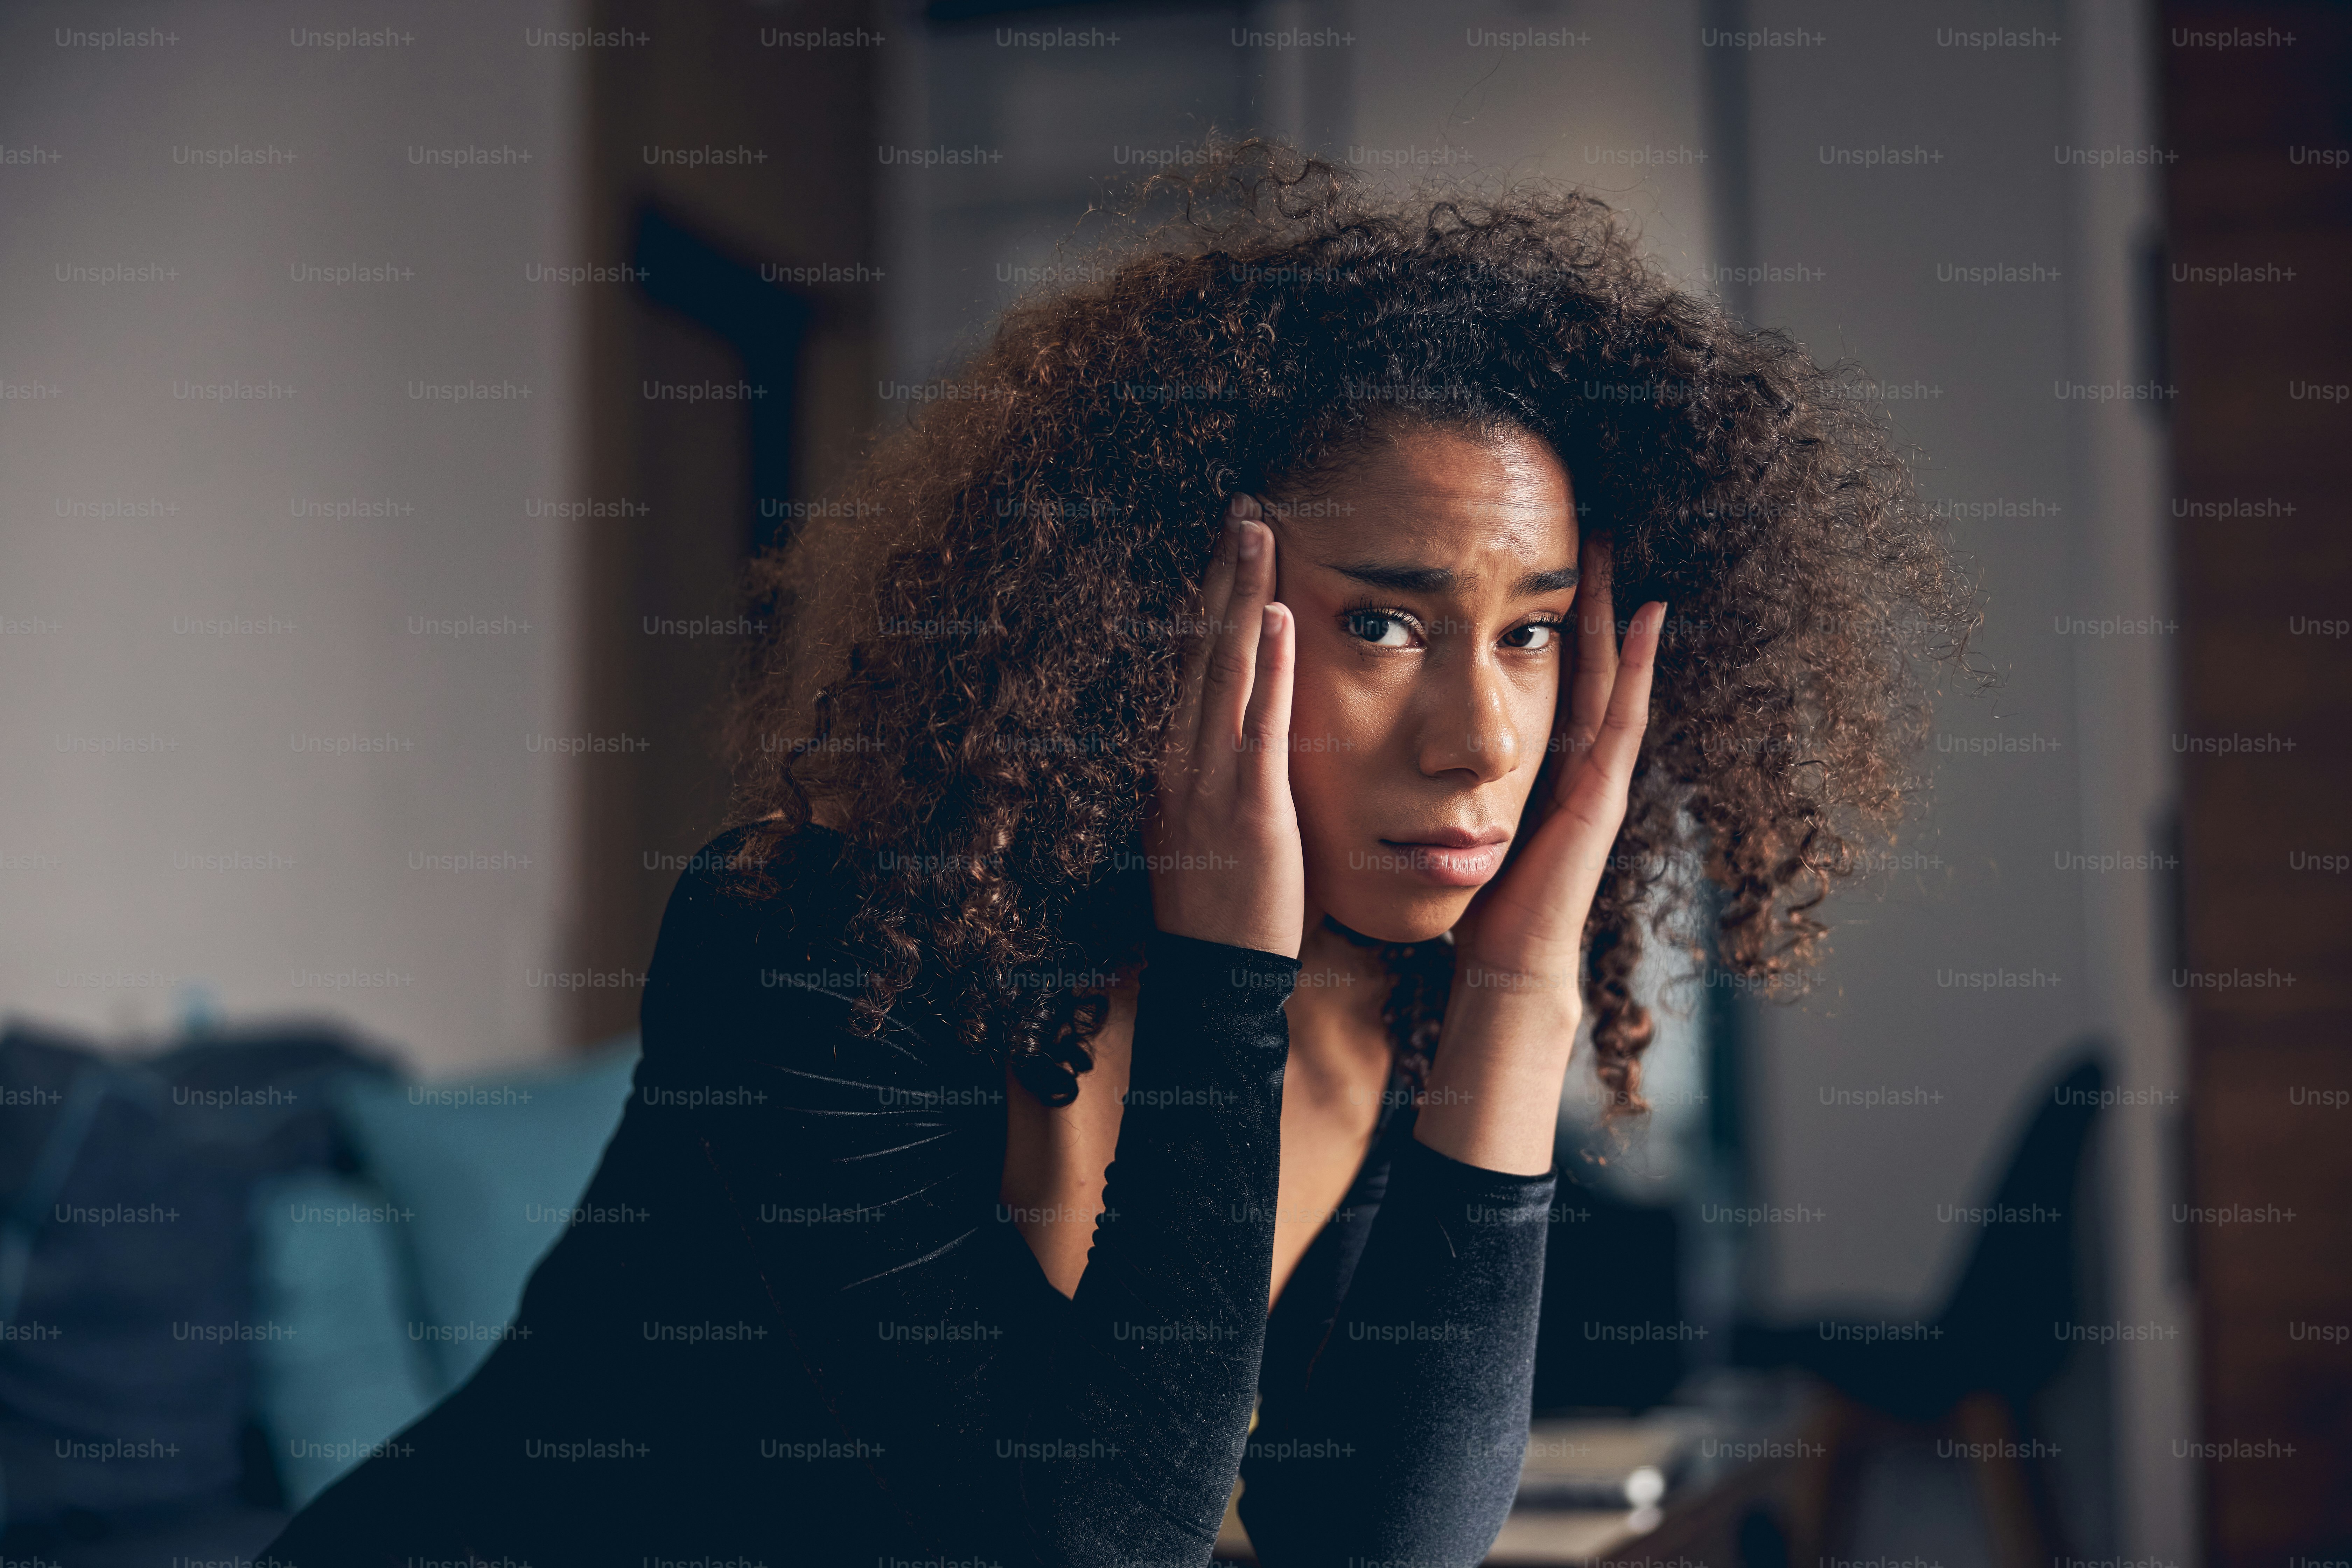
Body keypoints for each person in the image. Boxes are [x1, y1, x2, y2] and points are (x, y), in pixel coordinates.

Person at [266, 140, 1977, 1568]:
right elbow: (1089, 1537)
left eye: (1530, 634)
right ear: (1168, 626)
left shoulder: (1407, 1009)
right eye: (1385, 623)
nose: (1480, 738)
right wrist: (1228, 972)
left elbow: (1372, 1544)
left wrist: (1526, 992)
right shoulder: (817, 942)